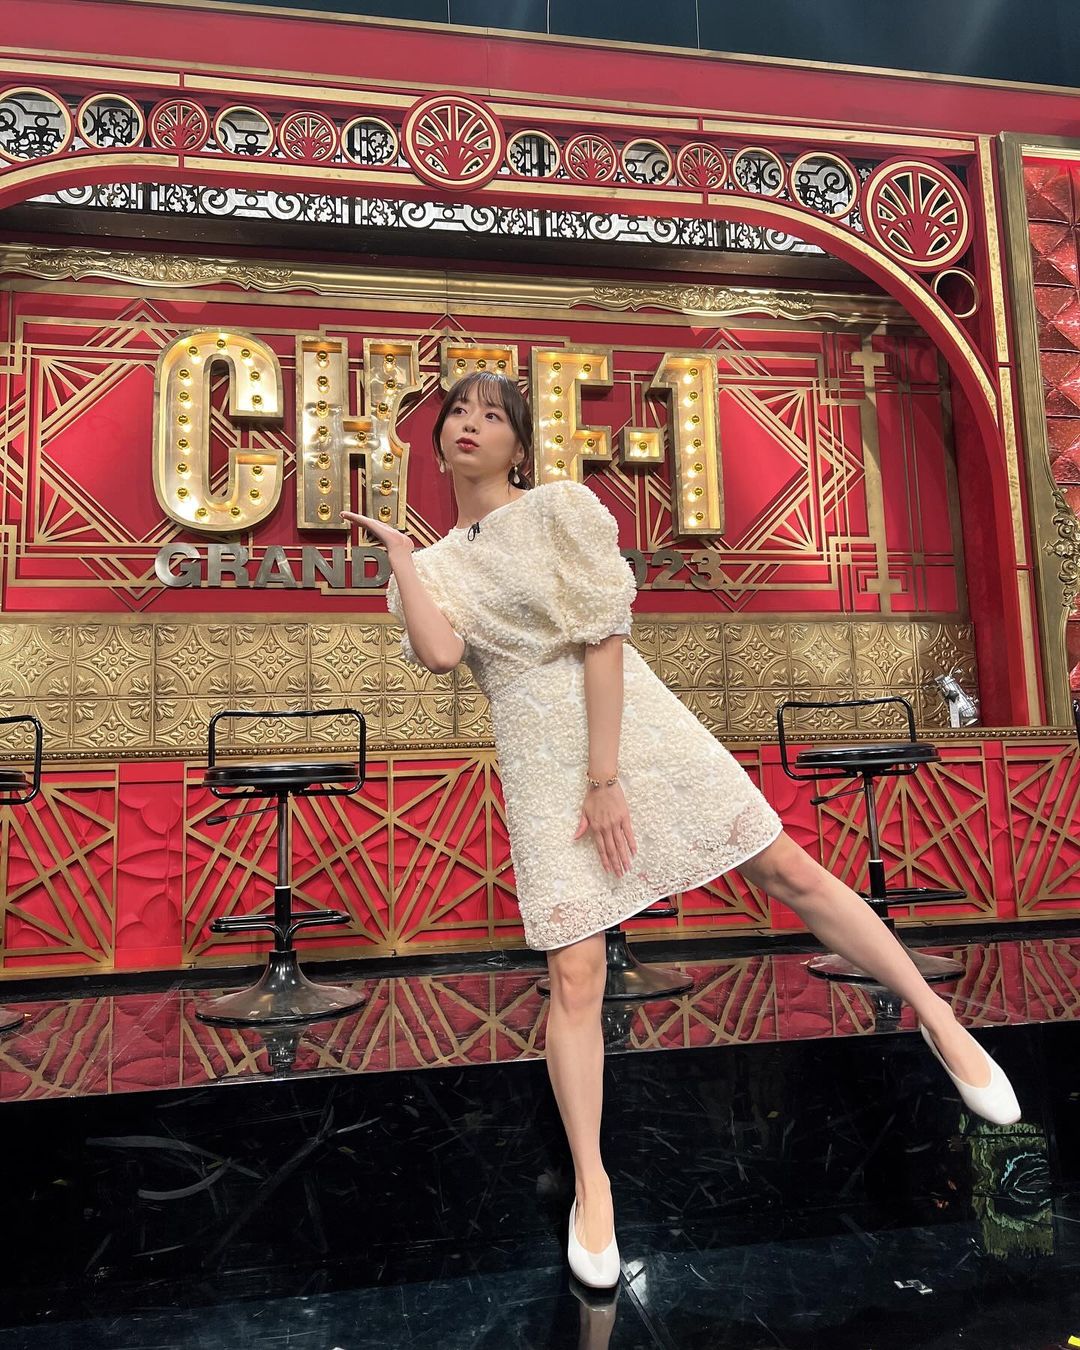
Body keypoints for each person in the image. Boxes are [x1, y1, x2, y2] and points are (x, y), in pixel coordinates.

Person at [343, 370, 1020, 1291]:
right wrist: (400, 557)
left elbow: (604, 640)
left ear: (519, 444)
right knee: (573, 973)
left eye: (492, 415)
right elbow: (442, 654)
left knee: (787, 869)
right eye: (458, 412)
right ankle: (592, 1186)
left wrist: (606, 777)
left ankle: (941, 1022)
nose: (470, 424)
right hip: (534, 754)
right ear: (439, 440)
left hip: (630, 729)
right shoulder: (433, 564)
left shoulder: (560, 509)